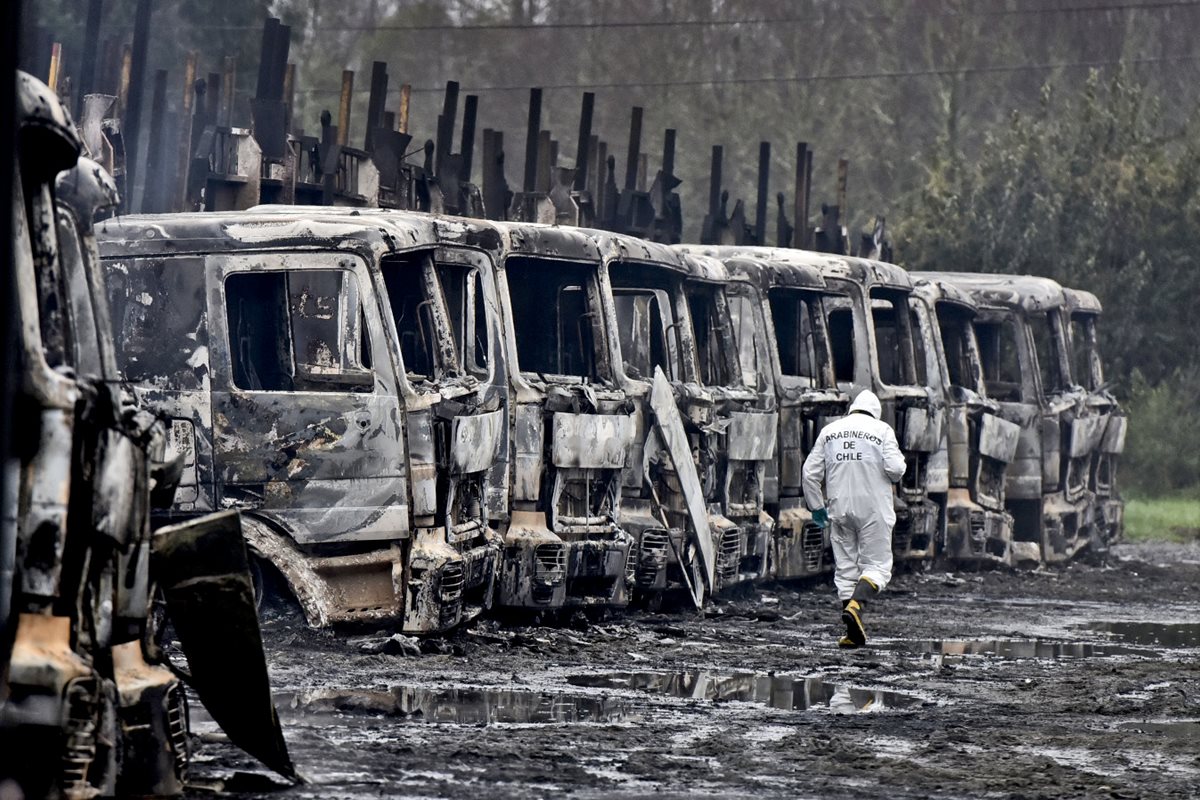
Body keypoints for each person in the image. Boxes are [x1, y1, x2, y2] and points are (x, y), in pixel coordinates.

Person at [801, 390, 906, 647]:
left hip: (839, 508)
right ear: (876, 412)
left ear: (852, 409)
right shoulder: (882, 430)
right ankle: (857, 606)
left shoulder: (829, 432)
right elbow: (895, 470)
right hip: (873, 510)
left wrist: (816, 506)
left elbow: (809, 473)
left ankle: (852, 633)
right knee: (877, 567)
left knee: (847, 570)